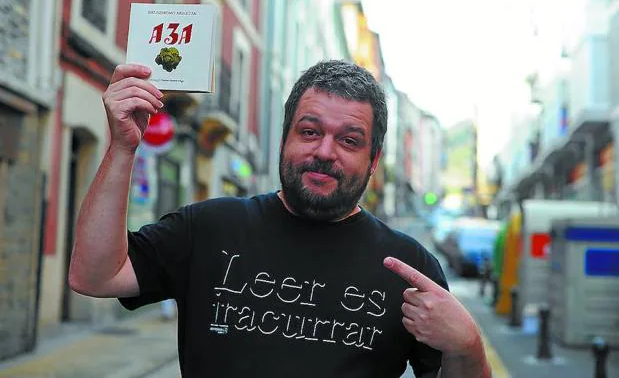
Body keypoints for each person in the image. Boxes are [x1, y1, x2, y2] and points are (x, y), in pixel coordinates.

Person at [68, 60, 491, 378]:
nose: (325, 151)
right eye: (309, 131)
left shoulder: (410, 269)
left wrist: (468, 346)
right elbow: (95, 276)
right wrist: (123, 148)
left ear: (373, 160)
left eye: (349, 140)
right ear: (285, 136)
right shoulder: (209, 227)